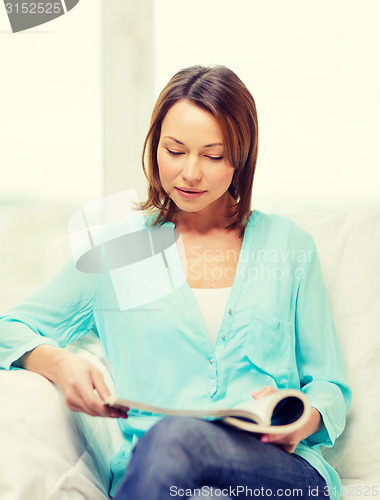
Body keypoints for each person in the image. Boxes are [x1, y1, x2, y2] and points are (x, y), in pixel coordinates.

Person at [0, 65, 351, 500]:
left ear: (242, 157)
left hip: (276, 472)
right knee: (171, 440)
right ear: (155, 149)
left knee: (178, 438)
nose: (190, 173)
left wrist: (307, 418)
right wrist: (59, 363)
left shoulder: (289, 247)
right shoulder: (115, 254)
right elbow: (7, 328)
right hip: (157, 470)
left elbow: (329, 384)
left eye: (213, 155)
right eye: (175, 150)